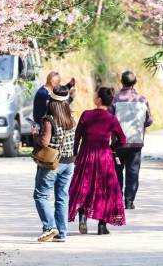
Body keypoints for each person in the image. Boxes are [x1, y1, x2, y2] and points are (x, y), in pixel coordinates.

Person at [68, 87, 127, 235]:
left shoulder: (86, 115)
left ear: (99, 99)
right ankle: (102, 225)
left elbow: (77, 136)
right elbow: (123, 140)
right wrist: (111, 148)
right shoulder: (111, 119)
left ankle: (82, 217)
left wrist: (75, 153)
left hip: (86, 155)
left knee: (84, 186)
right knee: (105, 189)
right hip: (104, 157)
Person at [33, 86, 76, 243]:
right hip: (69, 163)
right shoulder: (71, 117)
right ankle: (62, 233)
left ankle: (50, 227)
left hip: (52, 164)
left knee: (41, 195)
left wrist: (35, 135)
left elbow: (44, 142)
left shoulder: (49, 119)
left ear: (51, 102)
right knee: (62, 197)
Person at [109, 70, 153, 210]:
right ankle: (129, 201)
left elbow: (109, 119)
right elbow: (149, 120)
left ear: (121, 81)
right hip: (136, 142)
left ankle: (117, 200)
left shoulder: (115, 99)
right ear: (135, 82)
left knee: (117, 172)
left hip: (117, 144)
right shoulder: (142, 100)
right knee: (133, 172)